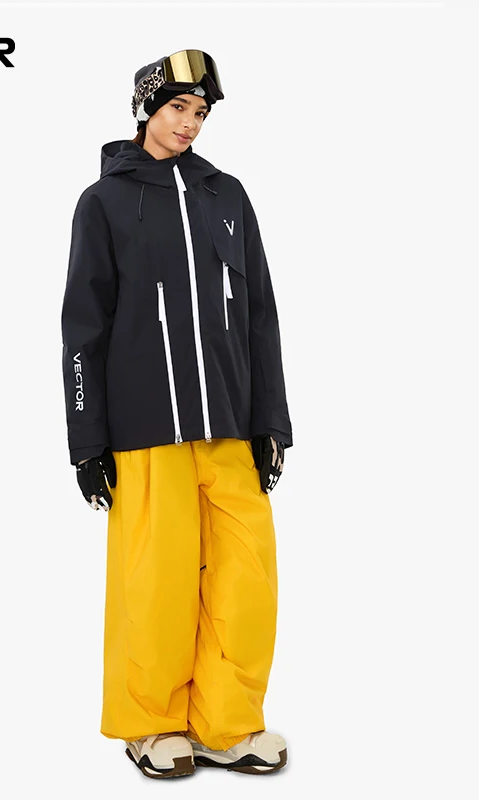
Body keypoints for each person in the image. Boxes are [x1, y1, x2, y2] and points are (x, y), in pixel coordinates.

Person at [60, 49, 293, 779]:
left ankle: (227, 722)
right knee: (156, 584)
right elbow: (83, 328)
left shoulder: (227, 195)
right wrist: (86, 441)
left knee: (245, 578)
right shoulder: (104, 203)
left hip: (228, 424)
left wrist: (271, 421)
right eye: (177, 109)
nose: (190, 124)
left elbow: (260, 315)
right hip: (146, 429)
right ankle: (152, 724)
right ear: (146, 109)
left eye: (200, 113)